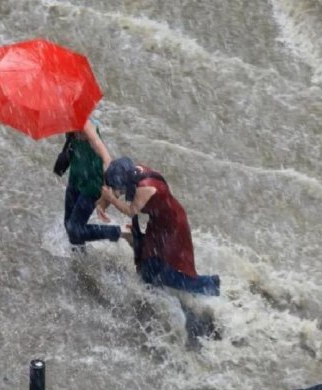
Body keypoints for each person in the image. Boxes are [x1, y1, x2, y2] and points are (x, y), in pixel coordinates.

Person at [97, 156, 220, 295]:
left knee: (170, 269)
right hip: (158, 221)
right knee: (148, 261)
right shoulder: (132, 172)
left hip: (173, 226)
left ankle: (210, 285)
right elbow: (113, 191)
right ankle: (153, 291)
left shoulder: (145, 187)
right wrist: (102, 204)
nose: (117, 191)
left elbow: (130, 211)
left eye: (118, 188)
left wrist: (111, 199)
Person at [56, 118, 122, 248]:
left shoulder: (86, 126)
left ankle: (120, 233)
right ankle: (79, 263)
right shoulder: (68, 122)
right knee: (69, 225)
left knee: (74, 229)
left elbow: (105, 155)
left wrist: (107, 195)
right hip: (75, 177)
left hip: (92, 184)